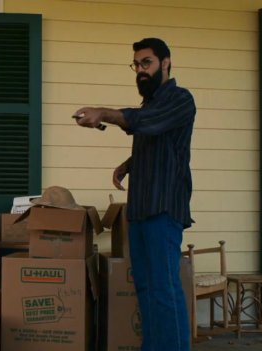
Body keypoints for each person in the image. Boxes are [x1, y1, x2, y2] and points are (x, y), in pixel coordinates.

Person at [74, 38, 195, 351]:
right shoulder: (151, 105)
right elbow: (158, 142)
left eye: (147, 63)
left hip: (164, 210)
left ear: (165, 63)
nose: (141, 70)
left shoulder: (180, 99)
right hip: (140, 211)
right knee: (145, 288)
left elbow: (149, 125)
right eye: (137, 65)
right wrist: (128, 165)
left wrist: (104, 112)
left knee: (164, 289)